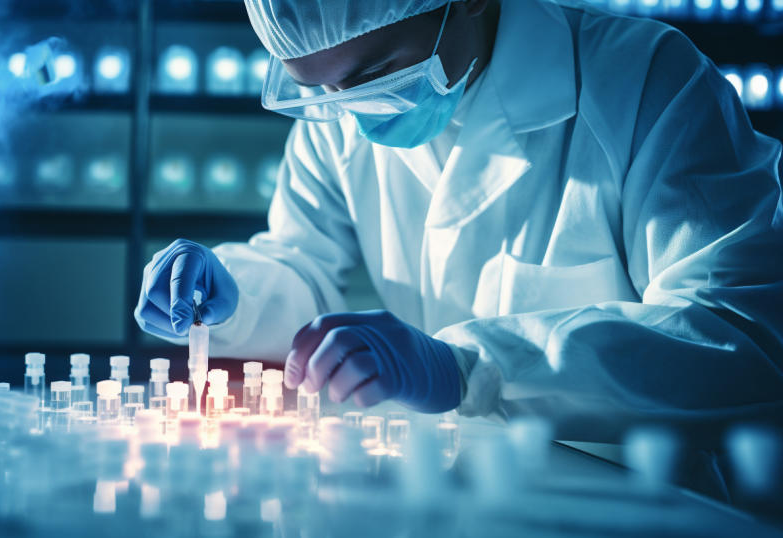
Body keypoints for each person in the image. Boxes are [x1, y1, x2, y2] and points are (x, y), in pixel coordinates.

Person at [136, 0, 783, 441]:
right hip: (438, 486)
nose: (357, 114)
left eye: (380, 75)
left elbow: (736, 335)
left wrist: (473, 367)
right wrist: (232, 295)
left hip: (624, 494)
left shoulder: (643, 82)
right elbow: (305, 268)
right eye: (322, 93)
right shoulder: (343, 114)